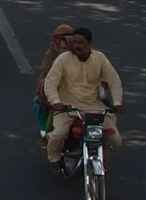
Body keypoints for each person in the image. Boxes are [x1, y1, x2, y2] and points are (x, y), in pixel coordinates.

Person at [40, 26, 123, 162]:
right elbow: (50, 82)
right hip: (68, 108)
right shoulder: (63, 59)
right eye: (75, 42)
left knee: (115, 139)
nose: (77, 46)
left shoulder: (100, 58)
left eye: (81, 43)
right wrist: (56, 101)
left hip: (95, 107)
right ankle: (54, 159)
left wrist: (118, 103)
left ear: (89, 44)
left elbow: (114, 81)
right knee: (58, 136)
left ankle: (98, 158)